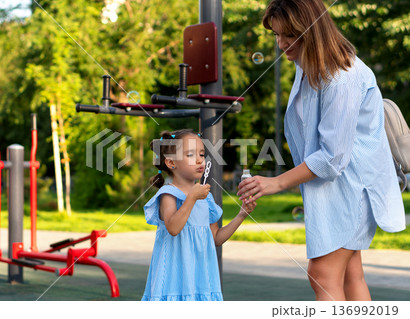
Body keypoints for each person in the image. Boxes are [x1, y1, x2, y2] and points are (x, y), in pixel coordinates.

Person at [238, 0, 406, 301]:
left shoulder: (342, 75)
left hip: (352, 190)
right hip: (335, 191)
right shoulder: (308, 65)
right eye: (277, 36)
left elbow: (332, 157)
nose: (281, 45)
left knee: (323, 276)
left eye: (289, 35)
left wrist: (275, 182)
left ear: (310, 30)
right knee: (351, 275)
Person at [142, 129, 256, 301]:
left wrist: (242, 214)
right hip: (174, 281)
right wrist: (192, 197)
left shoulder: (205, 198)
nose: (199, 160)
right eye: (190, 155)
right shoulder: (168, 194)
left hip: (202, 281)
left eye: (201, 154)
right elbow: (173, 227)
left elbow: (215, 237)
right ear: (171, 163)